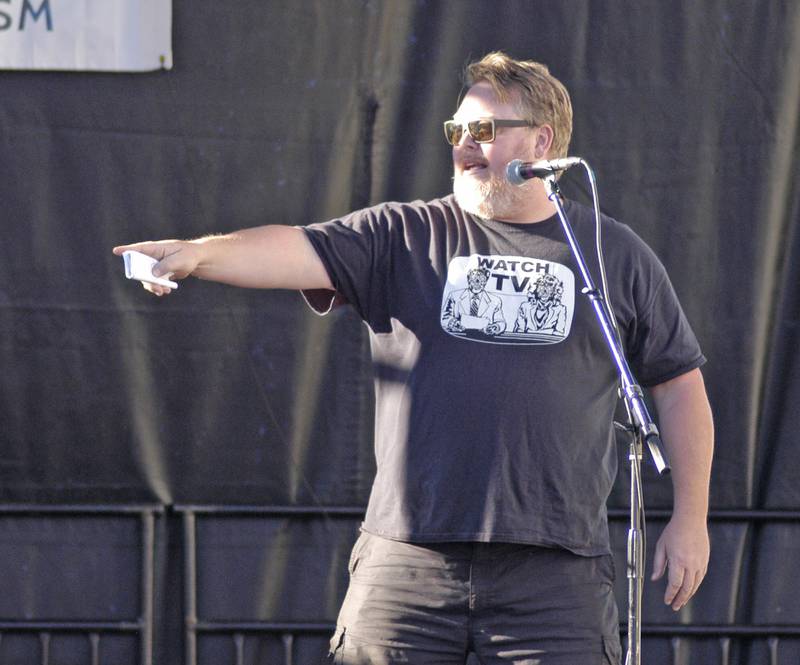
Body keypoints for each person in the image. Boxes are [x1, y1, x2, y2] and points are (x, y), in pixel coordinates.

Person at [114, 51, 714, 665]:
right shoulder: (404, 235)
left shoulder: (611, 254)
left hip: (555, 572)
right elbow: (294, 248)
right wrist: (197, 254)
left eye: (483, 131)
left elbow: (677, 386)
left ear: (543, 141)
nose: (464, 146)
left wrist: (690, 519)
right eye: (457, 132)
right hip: (409, 560)